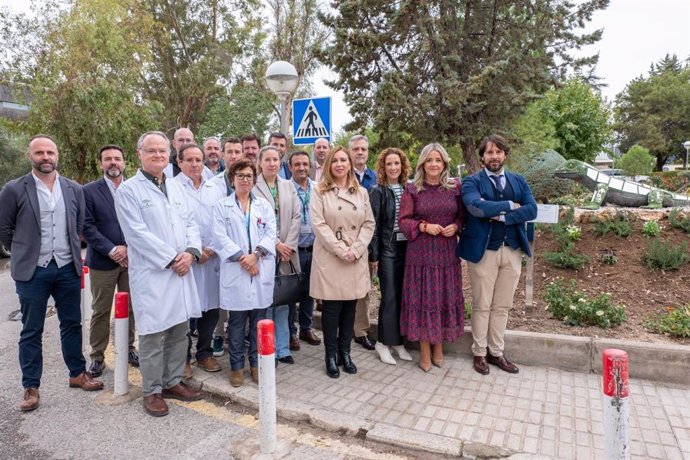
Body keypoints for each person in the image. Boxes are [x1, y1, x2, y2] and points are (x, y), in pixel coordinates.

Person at [0, 134, 103, 412]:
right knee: (31, 329)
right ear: (30, 156)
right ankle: (31, 386)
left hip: (67, 267)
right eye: (40, 153)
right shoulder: (14, 189)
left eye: (50, 152)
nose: (46, 157)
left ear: (57, 156)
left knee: (72, 324)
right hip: (33, 271)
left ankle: (77, 373)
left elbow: (78, 223)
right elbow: (5, 229)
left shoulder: (73, 189)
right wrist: (23, 252)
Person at [115, 131, 203, 417]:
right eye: (151, 150)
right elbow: (136, 234)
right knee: (153, 334)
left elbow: (191, 222)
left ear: (169, 155)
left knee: (179, 330)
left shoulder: (177, 186)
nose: (158, 155)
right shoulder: (129, 190)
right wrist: (171, 259)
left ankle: (173, 381)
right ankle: (152, 390)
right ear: (139, 153)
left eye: (162, 151)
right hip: (154, 274)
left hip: (181, 270)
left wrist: (190, 252)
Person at [458, 134, 537, 375]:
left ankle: (496, 352)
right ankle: (479, 353)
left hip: (512, 251)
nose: (494, 156)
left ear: (505, 155)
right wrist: (511, 206)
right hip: (484, 252)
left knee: (502, 305)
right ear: (482, 156)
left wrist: (502, 215)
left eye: (498, 152)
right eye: (489, 152)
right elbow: (474, 207)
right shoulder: (472, 181)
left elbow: (531, 209)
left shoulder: (518, 180)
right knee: (482, 304)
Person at [310, 146, 375, 378]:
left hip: (354, 257)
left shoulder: (362, 192)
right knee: (332, 309)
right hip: (331, 256)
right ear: (329, 165)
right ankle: (330, 355)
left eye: (343, 160)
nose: (339, 164)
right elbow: (318, 224)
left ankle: (345, 352)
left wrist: (356, 250)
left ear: (349, 164)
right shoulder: (320, 190)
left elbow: (369, 224)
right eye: (335, 160)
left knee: (350, 308)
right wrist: (340, 250)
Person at [399, 143, 464, 372]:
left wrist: (455, 227)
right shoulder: (412, 189)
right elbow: (404, 221)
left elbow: (462, 217)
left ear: (444, 162)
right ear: (422, 164)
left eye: (438, 160)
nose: (434, 164)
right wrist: (425, 226)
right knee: (424, 300)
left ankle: (439, 348)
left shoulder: (455, 187)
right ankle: (425, 350)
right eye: (429, 160)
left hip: (446, 254)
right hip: (421, 254)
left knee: (441, 299)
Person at [213, 159, 276, 387]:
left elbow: (271, 233)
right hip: (237, 271)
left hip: (259, 270)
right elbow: (220, 237)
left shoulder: (264, 206)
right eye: (240, 175)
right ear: (232, 179)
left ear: (254, 179)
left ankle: (256, 365)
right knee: (237, 325)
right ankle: (237, 367)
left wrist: (255, 255)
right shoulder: (222, 206)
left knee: (258, 323)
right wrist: (244, 258)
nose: (245, 180)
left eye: (249, 176)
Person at [82, 144, 138, 377]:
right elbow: (86, 225)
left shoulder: (135, 189)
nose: (113, 163)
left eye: (117, 158)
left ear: (124, 162)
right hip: (103, 261)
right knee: (101, 310)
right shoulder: (89, 191)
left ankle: (129, 348)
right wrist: (112, 249)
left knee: (132, 308)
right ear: (101, 163)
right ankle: (97, 356)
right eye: (108, 159)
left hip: (132, 260)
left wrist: (128, 249)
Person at [174, 143, 226, 374]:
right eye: (189, 160)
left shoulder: (215, 188)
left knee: (211, 310)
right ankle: (183, 359)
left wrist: (213, 249)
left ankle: (204, 354)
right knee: (185, 311)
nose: (195, 164)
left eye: (198, 160)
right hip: (187, 258)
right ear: (179, 162)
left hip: (213, 258)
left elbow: (223, 221)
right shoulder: (172, 187)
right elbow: (174, 224)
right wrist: (194, 251)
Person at [253, 146, 301, 363]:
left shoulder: (288, 185)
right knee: (264, 302)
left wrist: (287, 246)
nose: (272, 163)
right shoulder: (253, 187)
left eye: (275, 159)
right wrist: (276, 245)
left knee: (282, 302)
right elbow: (255, 223)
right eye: (267, 159)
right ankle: (266, 348)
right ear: (260, 162)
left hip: (286, 254)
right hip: (264, 252)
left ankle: (282, 349)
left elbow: (297, 217)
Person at [368, 148, 413, 365]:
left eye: (397, 163)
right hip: (387, 249)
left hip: (408, 249)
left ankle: (397, 342)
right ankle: (382, 343)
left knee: (402, 297)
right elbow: (373, 226)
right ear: (383, 168)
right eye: (389, 164)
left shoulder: (409, 188)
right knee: (389, 297)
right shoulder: (378, 191)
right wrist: (374, 255)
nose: (393, 168)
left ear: (402, 166)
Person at [210, 136, 244, 356]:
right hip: (220, 250)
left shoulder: (249, 180)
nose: (233, 156)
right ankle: (217, 336)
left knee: (242, 296)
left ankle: (239, 337)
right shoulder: (212, 183)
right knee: (219, 298)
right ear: (223, 154)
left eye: (237, 152)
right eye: (229, 152)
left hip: (244, 250)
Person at [288, 150, 321, 346]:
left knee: (310, 291)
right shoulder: (285, 189)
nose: (301, 168)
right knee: (291, 293)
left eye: (305, 164)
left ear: (309, 166)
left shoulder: (318, 188)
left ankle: (306, 329)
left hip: (314, 249)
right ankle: (291, 331)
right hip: (293, 250)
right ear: (290, 167)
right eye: (297, 164)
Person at [349, 134, 377, 351]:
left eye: (363, 149)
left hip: (367, 244)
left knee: (363, 291)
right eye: (356, 149)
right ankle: (343, 329)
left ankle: (360, 331)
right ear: (350, 152)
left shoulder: (375, 178)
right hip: (343, 244)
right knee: (342, 290)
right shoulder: (340, 175)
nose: (360, 152)